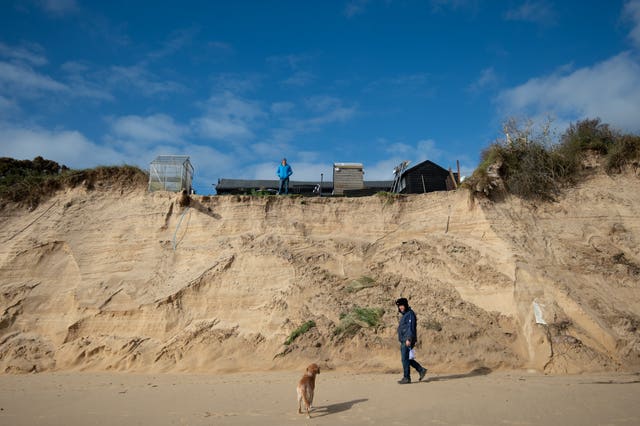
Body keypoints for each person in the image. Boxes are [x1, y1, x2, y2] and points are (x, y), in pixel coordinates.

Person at [395, 297, 427, 384]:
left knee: (405, 359)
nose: (400, 307)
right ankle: (421, 370)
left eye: (402, 305)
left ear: (405, 305)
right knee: (406, 359)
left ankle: (407, 377)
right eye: (399, 306)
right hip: (404, 339)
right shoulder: (405, 314)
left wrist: (409, 339)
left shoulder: (410, 314)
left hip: (407, 339)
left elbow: (411, 327)